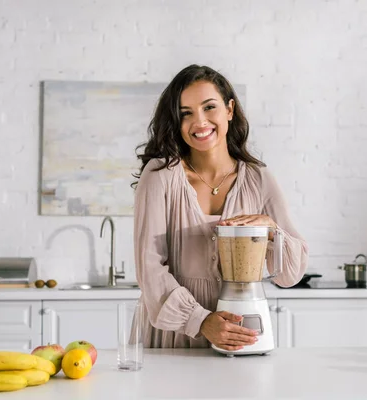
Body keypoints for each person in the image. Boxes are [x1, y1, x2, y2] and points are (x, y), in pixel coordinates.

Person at [132, 64, 308, 351]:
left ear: (229, 110)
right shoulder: (160, 175)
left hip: (239, 331)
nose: (199, 122)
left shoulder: (258, 179)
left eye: (209, 107)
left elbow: (291, 274)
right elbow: (149, 267)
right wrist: (201, 321)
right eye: (186, 113)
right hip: (174, 336)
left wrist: (271, 229)